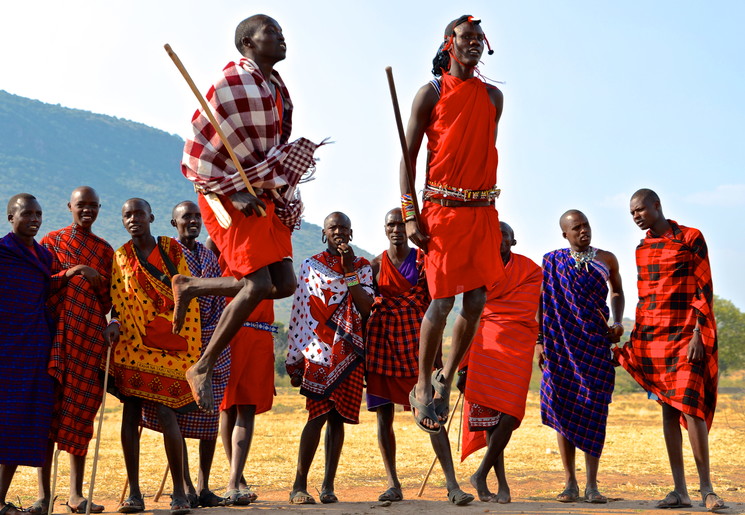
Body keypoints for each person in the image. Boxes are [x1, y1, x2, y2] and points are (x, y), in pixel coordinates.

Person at [175, 14, 323, 412]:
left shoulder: (275, 88)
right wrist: (233, 189)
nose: (281, 37)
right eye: (271, 32)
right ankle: (202, 367)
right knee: (255, 285)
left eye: (282, 31)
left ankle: (190, 287)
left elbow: (264, 152)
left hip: (258, 193)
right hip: (225, 194)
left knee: (284, 283)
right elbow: (202, 149)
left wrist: (262, 185)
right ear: (247, 42)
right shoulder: (231, 82)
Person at [400, 15, 504, 434]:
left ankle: (446, 376)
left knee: (476, 301)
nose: (474, 43)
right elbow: (406, 159)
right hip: (441, 210)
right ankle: (423, 384)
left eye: (480, 38)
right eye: (466, 37)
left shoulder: (494, 97)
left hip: (482, 211)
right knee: (441, 302)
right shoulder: (431, 93)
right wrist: (410, 214)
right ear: (449, 43)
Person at [616, 189, 726, 511]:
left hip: (687, 336)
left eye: (640, 210)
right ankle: (680, 491)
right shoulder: (642, 249)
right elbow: (645, 299)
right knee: (667, 409)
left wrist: (698, 334)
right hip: (654, 340)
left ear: (657, 206)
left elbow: (704, 289)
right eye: (632, 213)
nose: (636, 216)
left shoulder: (691, 238)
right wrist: (635, 342)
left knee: (691, 408)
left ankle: (707, 488)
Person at [103, 198, 203, 515]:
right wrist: (115, 324)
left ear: (151, 217)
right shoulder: (119, 258)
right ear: (123, 219)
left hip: (170, 342)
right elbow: (118, 302)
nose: (133, 219)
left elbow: (187, 291)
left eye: (139, 213)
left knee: (166, 411)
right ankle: (134, 494)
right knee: (130, 412)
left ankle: (179, 494)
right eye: (127, 214)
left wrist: (180, 336)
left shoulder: (172, 250)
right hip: (133, 344)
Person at [365, 208, 470, 504]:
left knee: (432, 414)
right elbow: (366, 307)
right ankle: (393, 484)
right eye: (391, 224)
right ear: (384, 229)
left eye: (401, 223)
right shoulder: (374, 266)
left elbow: (436, 310)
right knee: (384, 418)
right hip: (383, 346)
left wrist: (437, 360)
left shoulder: (424, 261)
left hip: (418, 349)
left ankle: (452, 485)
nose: (396, 229)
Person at [138, 201, 228, 508]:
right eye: (185, 217)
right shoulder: (167, 256)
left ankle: (204, 486)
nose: (192, 221)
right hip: (176, 344)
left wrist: (212, 341)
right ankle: (186, 486)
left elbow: (218, 302)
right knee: (173, 413)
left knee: (209, 415)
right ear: (173, 222)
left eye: (196, 216)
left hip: (211, 343)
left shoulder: (208, 256)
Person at [33, 187, 114, 515]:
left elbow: (113, 298)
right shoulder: (52, 241)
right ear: (70, 206)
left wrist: (115, 322)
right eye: (82, 205)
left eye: (94, 206)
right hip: (54, 338)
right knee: (48, 416)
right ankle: (43, 495)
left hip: (90, 340)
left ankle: (76, 495)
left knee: (80, 412)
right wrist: (76, 271)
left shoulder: (106, 250)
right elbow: (41, 282)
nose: (88, 211)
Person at [284, 212, 374, 505]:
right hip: (318, 352)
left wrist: (349, 272)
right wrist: (296, 354)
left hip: (349, 352)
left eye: (343, 227)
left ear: (351, 232)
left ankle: (328, 486)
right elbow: (300, 311)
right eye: (333, 227)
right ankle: (299, 485)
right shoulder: (310, 265)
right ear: (324, 233)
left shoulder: (361, 267)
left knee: (338, 418)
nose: (339, 231)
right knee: (317, 415)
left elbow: (366, 308)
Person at [538, 210, 624, 504]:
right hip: (561, 347)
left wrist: (617, 321)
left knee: (594, 411)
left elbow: (617, 291)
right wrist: (540, 342)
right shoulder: (551, 262)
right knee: (563, 407)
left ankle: (592, 485)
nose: (583, 231)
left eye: (585, 225)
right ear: (565, 234)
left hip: (594, 346)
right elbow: (542, 303)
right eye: (576, 228)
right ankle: (570, 483)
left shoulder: (606, 259)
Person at [458, 222, 541, 503]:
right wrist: (462, 363)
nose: (499, 239)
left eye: (503, 235)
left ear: (513, 241)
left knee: (512, 412)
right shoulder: (478, 270)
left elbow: (534, 308)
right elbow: (469, 315)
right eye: (493, 235)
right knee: (493, 419)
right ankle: (497, 483)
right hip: (486, 347)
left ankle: (481, 473)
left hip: (518, 348)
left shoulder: (530, 271)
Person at [0, 194, 56, 515]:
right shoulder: (2, 252)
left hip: (32, 351)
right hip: (3, 351)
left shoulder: (44, 258)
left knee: (19, 425)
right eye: (27, 213)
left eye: (38, 213)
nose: (34, 219)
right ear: (11, 217)